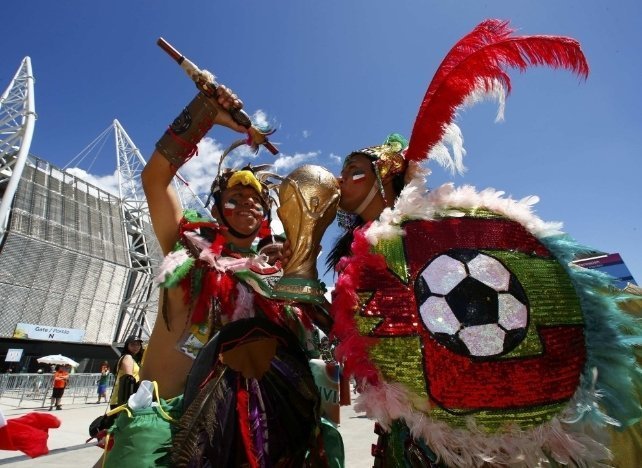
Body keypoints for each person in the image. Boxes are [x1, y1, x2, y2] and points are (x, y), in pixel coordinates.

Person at [327, 20, 640, 468]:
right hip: (401, 434)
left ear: (385, 178)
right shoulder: (354, 257)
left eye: (355, 170)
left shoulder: (436, 231)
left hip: (465, 439)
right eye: (342, 171)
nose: (341, 179)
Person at [100, 80, 339, 467]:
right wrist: (205, 112)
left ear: (265, 218)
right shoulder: (185, 246)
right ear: (216, 208)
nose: (247, 204)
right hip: (161, 423)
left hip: (239, 434)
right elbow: (154, 178)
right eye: (235, 197)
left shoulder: (273, 278)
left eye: (256, 202)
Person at [109, 336, 143, 409]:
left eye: (138, 344)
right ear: (127, 345)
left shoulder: (132, 359)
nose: (136, 347)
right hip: (123, 399)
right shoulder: (127, 357)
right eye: (132, 344)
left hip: (123, 398)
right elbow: (129, 380)